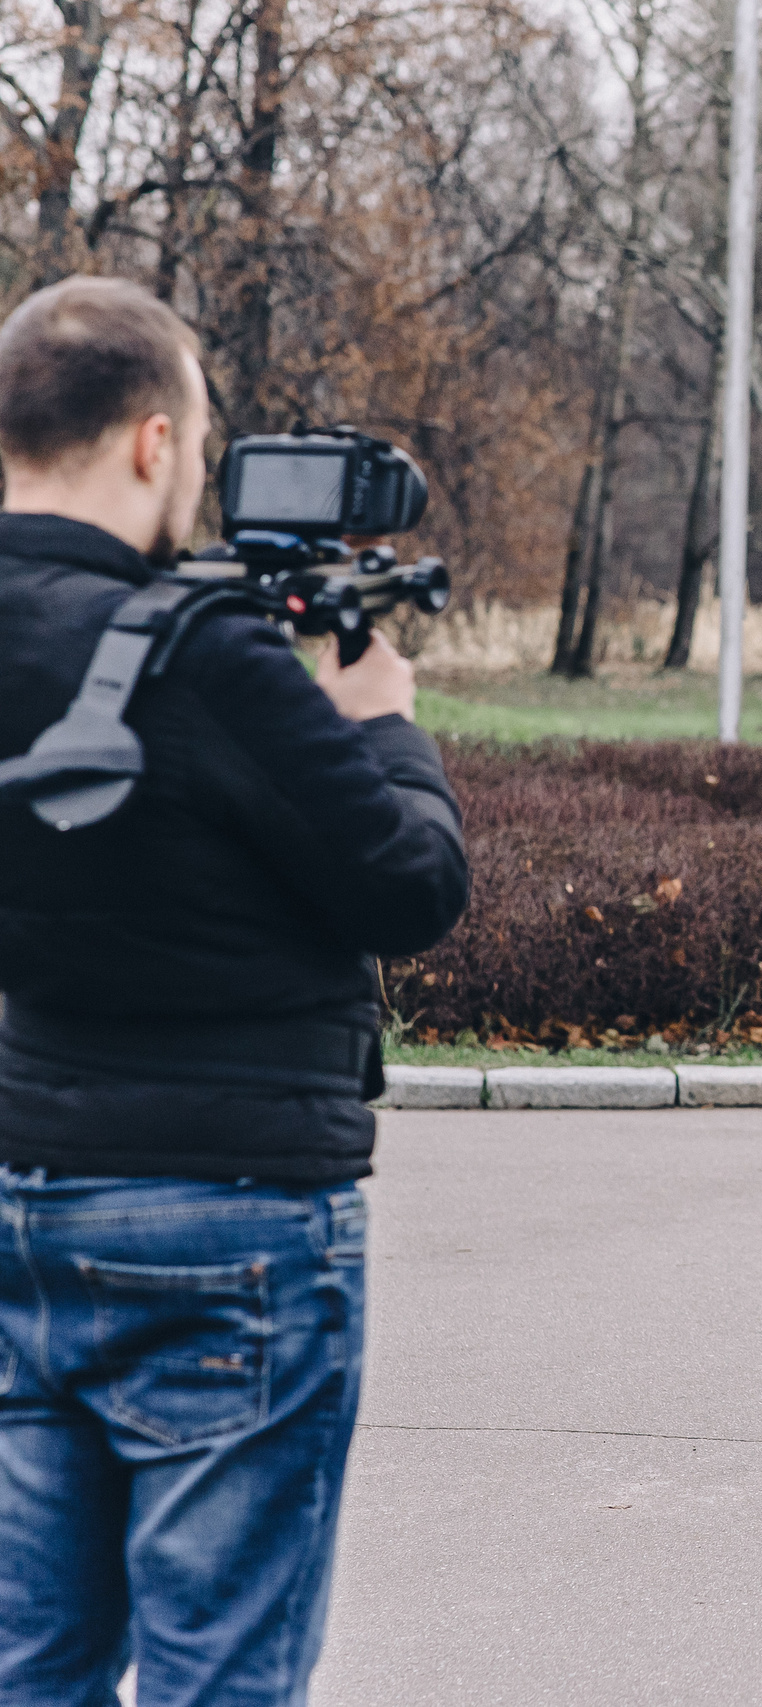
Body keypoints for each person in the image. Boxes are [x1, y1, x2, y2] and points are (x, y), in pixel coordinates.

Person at [0, 278, 470, 1701]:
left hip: (21, 1197)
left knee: (32, 1668)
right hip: (228, 1220)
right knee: (222, 1678)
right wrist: (384, 727)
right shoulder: (201, 656)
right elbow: (407, 885)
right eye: (197, 448)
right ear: (153, 443)